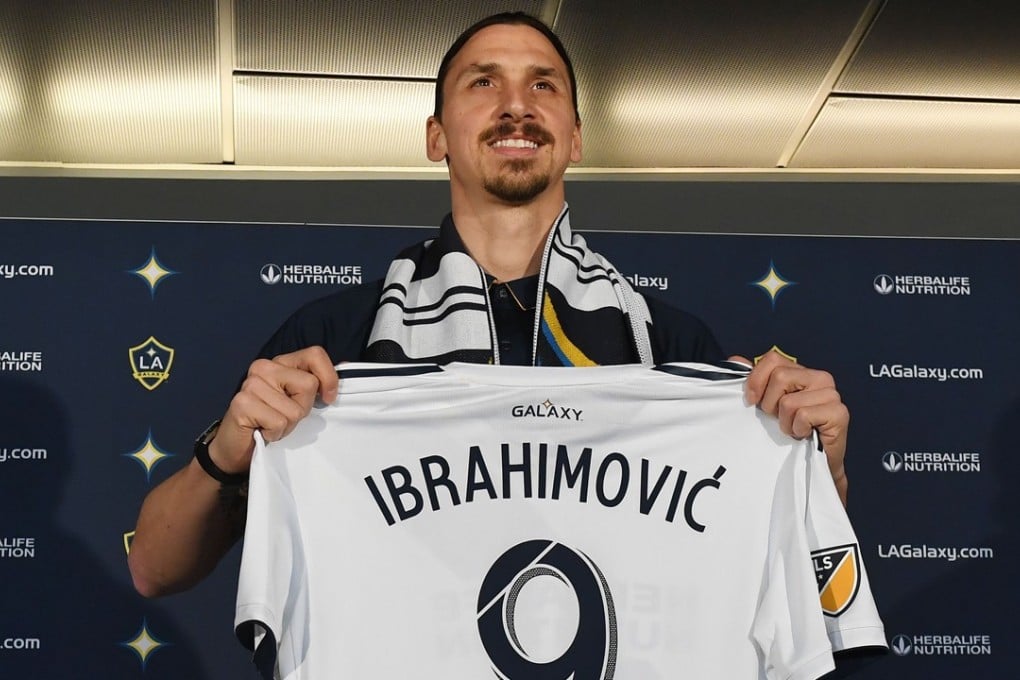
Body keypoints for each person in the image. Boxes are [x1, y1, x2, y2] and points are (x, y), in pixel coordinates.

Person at [128, 12, 849, 598]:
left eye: (544, 87)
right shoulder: (332, 341)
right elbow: (153, 570)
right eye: (483, 83)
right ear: (436, 135)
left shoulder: (670, 347)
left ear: (574, 137)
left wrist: (820, 470)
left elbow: (794, 579)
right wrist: (226, 452)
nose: (515, 105)